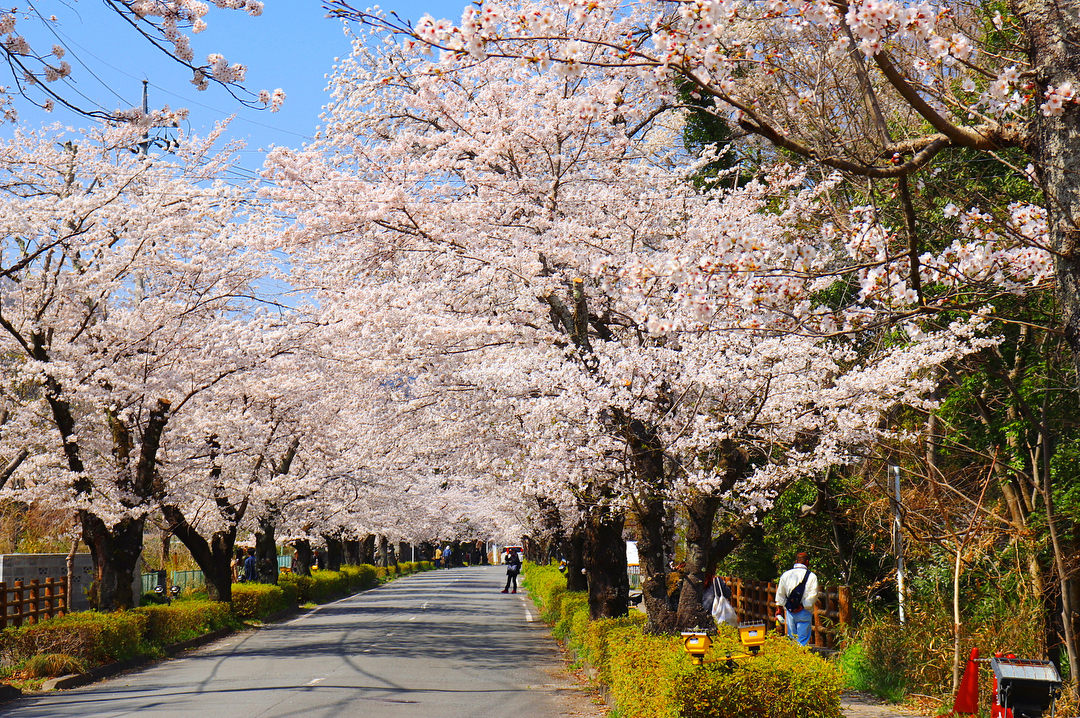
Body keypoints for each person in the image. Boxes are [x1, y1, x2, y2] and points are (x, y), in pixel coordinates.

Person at [775, 551, 820, 647]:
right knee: (802, 640)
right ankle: (802, 658)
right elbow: (813, 595)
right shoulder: (812, 577)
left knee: (792, 638)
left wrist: (780, 608)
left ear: (796, 561)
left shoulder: (786, 575)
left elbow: (780, 594)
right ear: (807, 562)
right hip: (804, 611)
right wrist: (803, 605)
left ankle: (793, 658)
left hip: (790, 610)